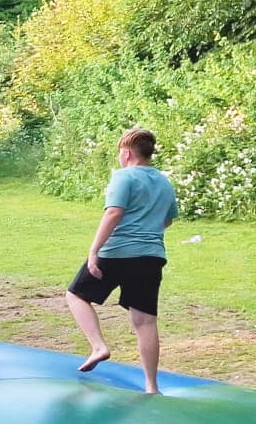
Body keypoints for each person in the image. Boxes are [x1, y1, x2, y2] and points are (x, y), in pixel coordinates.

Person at [65, 128, 179, 395]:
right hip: (151, 256)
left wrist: (94, 250)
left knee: (76, 295)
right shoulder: (164, 182)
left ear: (126, 154)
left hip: (117, 252)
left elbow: (113, 213)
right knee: (145, 321)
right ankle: (152, 386)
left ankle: (98, 347)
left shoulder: (123, 176)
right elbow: (168, 220)